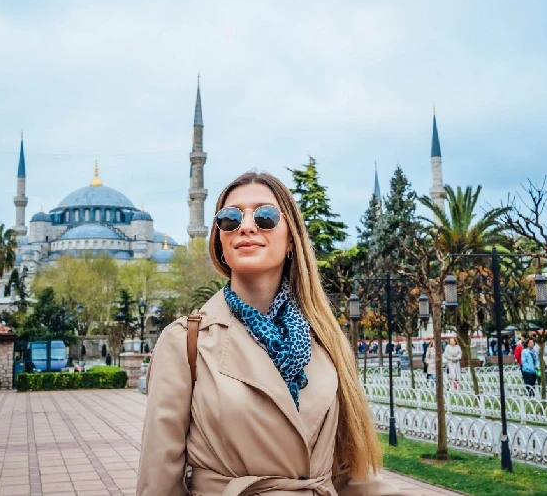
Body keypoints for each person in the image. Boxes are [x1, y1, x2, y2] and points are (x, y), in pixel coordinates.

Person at [137, 171, 400, 495]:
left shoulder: (326, 341)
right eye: (230, 218)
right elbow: (159, 481)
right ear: (219, 240)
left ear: (291, 238)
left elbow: (353, 474)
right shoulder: (185, 342)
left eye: (265, 216)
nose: (246, 226)